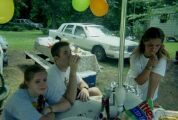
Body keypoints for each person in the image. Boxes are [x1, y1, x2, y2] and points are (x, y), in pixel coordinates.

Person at [46, 41, 102, 107]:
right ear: (56, 59)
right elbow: (70, 101)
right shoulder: (52, 76)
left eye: (70, 52)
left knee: (95, 90)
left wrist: (84, 89)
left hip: (72, 97)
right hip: (63, 105)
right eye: (65, 53)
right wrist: (73, 71)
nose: (71, 56)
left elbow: (81, 82)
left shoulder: (67, 67)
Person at [125, 27, 170, 106]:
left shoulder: (161, 59)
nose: (154, 49)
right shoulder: (135, 56)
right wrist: (149, 65)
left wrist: (149, 102)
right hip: (132, 92)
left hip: (149, 95)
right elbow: (140, 81)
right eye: (150, 45)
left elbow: (154, 79)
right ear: (144, 42)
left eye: (157, 45)